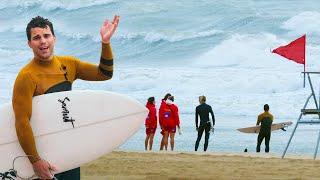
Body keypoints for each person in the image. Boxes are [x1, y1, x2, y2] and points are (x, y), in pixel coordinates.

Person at [12, 15, 119, 180]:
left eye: (46, 36)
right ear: (29, 44)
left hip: (69, 150)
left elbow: (104, 74)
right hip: (43, 152)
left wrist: (105, 43)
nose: (43, 41)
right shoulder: (26, 76)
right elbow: (22, 122)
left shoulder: (69, 64)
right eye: (36, 38)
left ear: (54, 38)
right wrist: (35, 160)